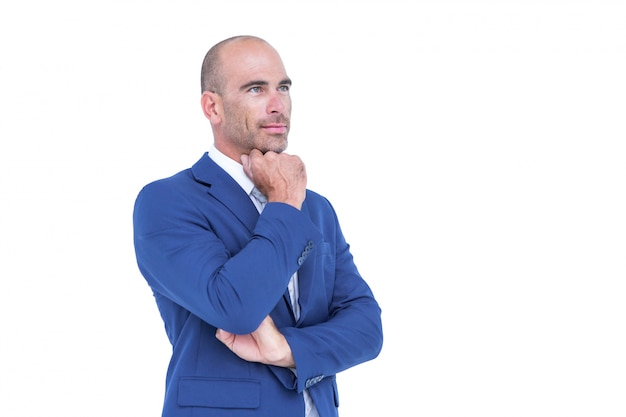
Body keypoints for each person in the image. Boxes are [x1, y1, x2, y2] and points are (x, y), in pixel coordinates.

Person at [132, 35, 383, 417]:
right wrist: (283, 203)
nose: (277, 104)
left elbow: (367, 328)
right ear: (212, 107)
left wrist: (287, 351)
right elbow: (235, 307)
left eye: (283, 87)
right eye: (255, 88)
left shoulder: (315, 207)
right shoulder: (166, 202)